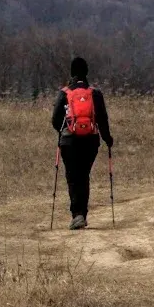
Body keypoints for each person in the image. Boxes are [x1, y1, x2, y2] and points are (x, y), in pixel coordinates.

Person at [51, 56, 113, 230]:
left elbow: (55, 119)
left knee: (72, 176)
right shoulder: (95, 93)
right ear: (86, 72)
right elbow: (102, 119)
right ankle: (82, 215)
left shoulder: (64, 93)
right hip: (90, 141)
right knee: (83, 176)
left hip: (68, 141)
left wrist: (63, 132)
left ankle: (76, 214)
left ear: (71, 72)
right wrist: (108, 139)